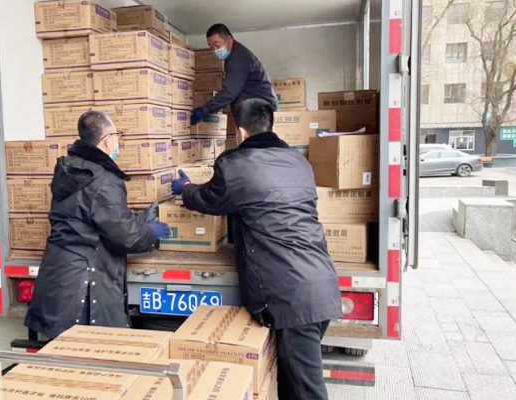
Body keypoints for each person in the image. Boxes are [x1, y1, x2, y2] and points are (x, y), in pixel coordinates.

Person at [172, 99, 342, 400]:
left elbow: (211, 199)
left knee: (307, 390)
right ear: (270, 124)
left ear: (240, 131)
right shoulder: (298, 162)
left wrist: (185, 189)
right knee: (291, 381)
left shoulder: (236, 164)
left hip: (290, 296)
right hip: (321, 282)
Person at [25, 111, 171, 339]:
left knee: (65, 350)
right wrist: (151, 231)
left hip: (60, 275)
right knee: (92, 350)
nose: (118, 142)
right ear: (107, 140)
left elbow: (86, 219)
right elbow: (126, 237)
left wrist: (139, 220)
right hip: (83, 286)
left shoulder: (70, 169)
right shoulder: (105, 181)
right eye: (117, 136)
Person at [190, 23, 278, 126]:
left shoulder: (238, 58)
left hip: (260, 112)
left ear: (229, 40)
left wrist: (204, 110)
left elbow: (230, 93)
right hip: (257, 110)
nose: (215, 50)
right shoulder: (233, 56)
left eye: (217, 45)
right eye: (211, 47)